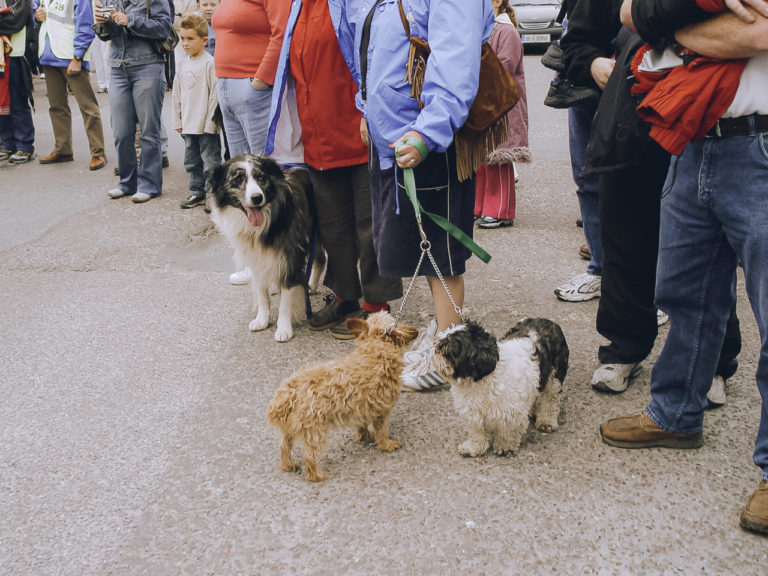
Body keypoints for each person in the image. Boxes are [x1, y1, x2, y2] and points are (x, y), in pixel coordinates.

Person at [599, 0, 768, 537]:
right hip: (695, 141)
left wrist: (675, 33)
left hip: (760, 144)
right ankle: (675, 413)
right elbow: (630, 14)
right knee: (684, 292)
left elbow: (759, 33)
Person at [565, 0, 742, 400]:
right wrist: (595, 65)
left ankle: (713, 361)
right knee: (625, 245)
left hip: (705, 122)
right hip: (630, 123)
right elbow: (578, 42)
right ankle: (625, 348)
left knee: (708, 255)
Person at [330, 0, 494, 390]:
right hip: (396, 136)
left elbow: (456, 60)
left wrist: (429, 131)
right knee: (421, 244)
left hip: (428, 133)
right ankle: (441, 333)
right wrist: (367, 109)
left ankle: (448, 353)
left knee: (442, 251)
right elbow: (366, 52)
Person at [264, 0, 402, 340]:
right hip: (318, 139)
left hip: (357, 133)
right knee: (332, 227)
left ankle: (376, 303)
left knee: (370, 225)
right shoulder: (295, 7)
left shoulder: (351, 3)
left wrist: (373, 115)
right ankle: (345, 295)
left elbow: (374, 59)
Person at [212, 0, 289, 286]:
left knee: (261, 178)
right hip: (228, 87)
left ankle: (273, 257)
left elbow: (282, 33)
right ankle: (251, 257)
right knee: (241, 180)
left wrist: (261, 80)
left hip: (251, 87)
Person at [549, 0, 605, 303]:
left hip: (634, 76)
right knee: (587, 179)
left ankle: (651, 288)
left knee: (643, 187)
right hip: (581, 75)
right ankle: (599, 270)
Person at [94, 0, 173, 203]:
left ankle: (149, 185)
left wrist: (131, 20)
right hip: (118, 67)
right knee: (121, 132)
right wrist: (102, 23)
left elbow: (164, 26)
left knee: (148, 131)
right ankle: (127, 183)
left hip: (147, 65)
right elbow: (107, 35)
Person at [474, 0, 530, 229]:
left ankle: (500, 210)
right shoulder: (483, 28)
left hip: (503, 106)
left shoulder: (507, 32)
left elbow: (502, 67)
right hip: (484, 104)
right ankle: (481, 206)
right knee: (482, 160)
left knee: (500, 158)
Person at [34, 0, 107, 170]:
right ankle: (63, 149)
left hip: (70, 56)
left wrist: (78, 57)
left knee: (87, 107)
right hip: (49, 53)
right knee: (56, 107)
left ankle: (98, 153)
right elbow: (37, 10)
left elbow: (86, 26)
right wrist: (36, 15)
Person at [172, 12, 220, 209]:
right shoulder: (183, 63)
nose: (185, 43)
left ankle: (213, 196)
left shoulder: (210, 63)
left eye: (190, 39)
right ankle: (196, 192)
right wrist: (178, 121)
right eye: (182, 39)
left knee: (210, 163)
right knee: (192, 162)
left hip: (205, 126)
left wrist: (211, 123)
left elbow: (214, 95)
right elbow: (177, 93)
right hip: (188, 124)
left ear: (204, 40)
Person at [0, 0, 36, 165]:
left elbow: (14, 21)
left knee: (17, 102)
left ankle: (25, 144)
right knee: (2, 105)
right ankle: (8, 143)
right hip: (2, 56)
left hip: (15, 55)